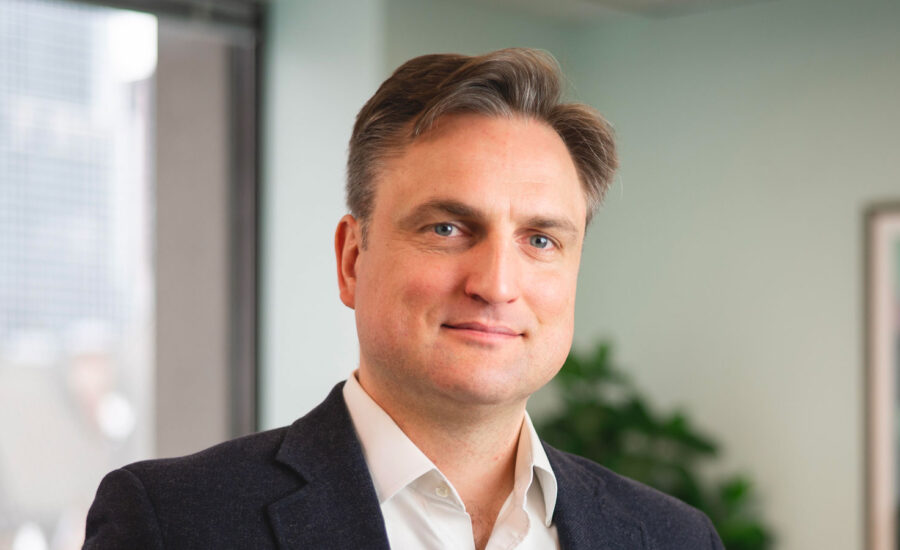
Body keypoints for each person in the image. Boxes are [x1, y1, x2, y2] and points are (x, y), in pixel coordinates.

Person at [83, 48, 724, 550]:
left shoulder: (674, 537)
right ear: (352, 260)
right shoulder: (175, 523)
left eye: (540, 239)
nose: (496, 284)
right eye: (447, 228)